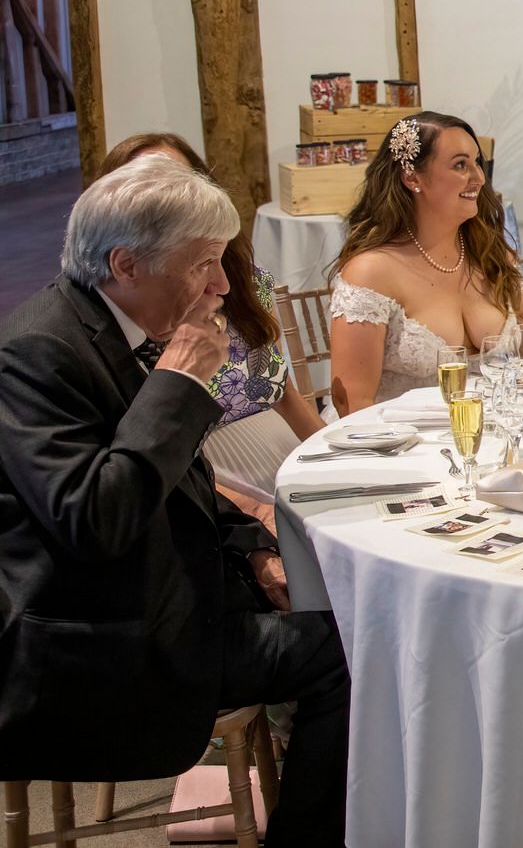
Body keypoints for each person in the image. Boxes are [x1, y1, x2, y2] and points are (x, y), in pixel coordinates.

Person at [0, 156, 348, 845]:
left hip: (165, 598)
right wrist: (179, 384)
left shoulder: (112, 327)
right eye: (204, 264)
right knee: (353, 646)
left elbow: (182, 487)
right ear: (126, 264)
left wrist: (255, 551)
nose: (223, 284)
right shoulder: (38, 351)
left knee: (339, 603)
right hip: (102, 647)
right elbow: (97, 520)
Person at [101, 133, 327, 508]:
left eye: (182, 182)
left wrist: (337, 458)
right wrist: (253, 513)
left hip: (284, 456)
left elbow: (281, 390)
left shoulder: (244, 280)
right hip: (202, 484)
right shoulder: (126, 309)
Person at [329, 111, 523, 411]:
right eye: (460, 165)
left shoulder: (493, 254)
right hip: (399, 447)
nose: (479, 178)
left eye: (477, 162)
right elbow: (353, 404)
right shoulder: (371, 272)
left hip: (497, 432)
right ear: (412, 177)